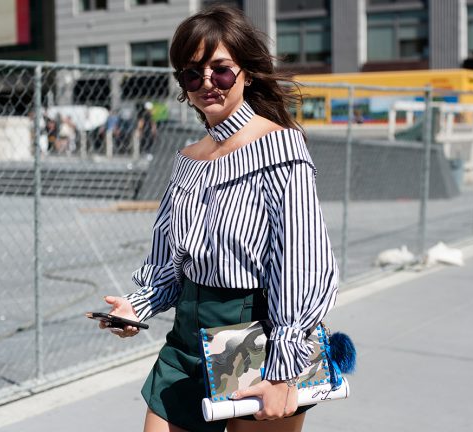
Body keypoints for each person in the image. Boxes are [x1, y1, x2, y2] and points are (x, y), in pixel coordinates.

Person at [96, 5, 339, 432]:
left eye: (221, 70)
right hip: (188, 333)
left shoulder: (281, 149)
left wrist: (283, 370)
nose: (207, 82)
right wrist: (138, 305)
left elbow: (300, 263)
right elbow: (172, 260)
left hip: (259, 334)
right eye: (192, 74)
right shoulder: (188, 159)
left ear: (246, 74)